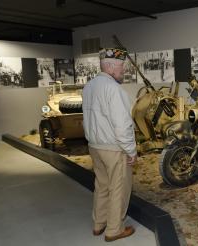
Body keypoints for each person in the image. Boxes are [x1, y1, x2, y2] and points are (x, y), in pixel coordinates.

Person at [82, 47, 137, 242]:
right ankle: (114, 229)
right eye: (122, 66)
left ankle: (99, 224)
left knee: (102, 185)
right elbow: (122, 125)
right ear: (111, 67)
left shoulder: (89, 86)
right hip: (113, 148)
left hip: (94, 146)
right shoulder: (114, 89)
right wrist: (131, 151)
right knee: (119, 188)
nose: (123, 70)